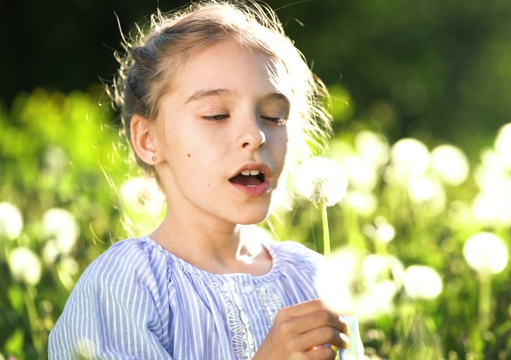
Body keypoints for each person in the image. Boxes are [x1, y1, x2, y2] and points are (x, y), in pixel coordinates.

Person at [48, 1, 358, 359]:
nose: (255, 135)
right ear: (149, 141)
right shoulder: (125, 284)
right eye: (216, 115)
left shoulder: (313, 277)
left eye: (274, 116)